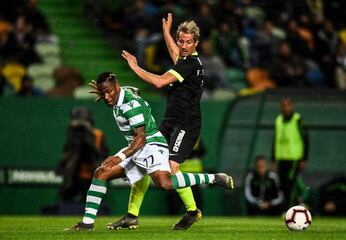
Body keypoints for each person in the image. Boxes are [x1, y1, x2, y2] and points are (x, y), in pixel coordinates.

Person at [66, 72, 233, 231]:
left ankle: (214, 178)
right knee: (102, 172)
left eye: (109, 92)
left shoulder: (131, 106)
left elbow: (141, 139)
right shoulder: (121, 93)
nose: (107, 97)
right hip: (136, 147)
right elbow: (134, 90)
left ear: (116, 87)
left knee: (165, 183)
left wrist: (121, 156)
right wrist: (106, 90)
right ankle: (87, 223)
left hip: (151, 145)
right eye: (103, 93)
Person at [118, 13, 206, 230]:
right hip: (170, 121)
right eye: (181, 41)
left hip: (186, 125)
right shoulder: (185, 60)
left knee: (170, 169)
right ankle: (131, 215)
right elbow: (175, 53)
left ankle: (192, 211)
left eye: (188, 42)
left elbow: (158, 82)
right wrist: (167, 32)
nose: (183, 46)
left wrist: (135, 67)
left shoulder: (190, 64)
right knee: (144, 159)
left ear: (196, 43)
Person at [55, 106, 108, 203]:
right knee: (66, 196)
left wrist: (88, 140)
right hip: (75, 174)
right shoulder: (73, 133)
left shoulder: (97, 134)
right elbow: (69, 151)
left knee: (92, 199)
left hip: (92, 172)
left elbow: (101, 153)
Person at [271, 98, 309, 210]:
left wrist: (304, 159)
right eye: (283, 105)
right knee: (282, 185)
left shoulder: (298, 120)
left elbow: (305, 139)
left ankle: (289, 209)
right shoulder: (278, 120)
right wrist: (273, 159)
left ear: (292, 106)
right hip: (281, 158)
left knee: (291, 184)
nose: (285, 108)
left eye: (288, 105)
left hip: (294, 158)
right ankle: (297, 205)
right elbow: (275, 140)